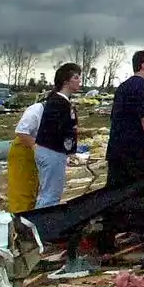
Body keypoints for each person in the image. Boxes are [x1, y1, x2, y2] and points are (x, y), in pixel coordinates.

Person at [105, 50, 144, 188]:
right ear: (143, 65)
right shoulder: (143, 87)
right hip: (137, 151)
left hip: (117, 148)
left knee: (116, 192)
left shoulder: (123, 86)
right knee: (143, 190)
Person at [33, 62, 82, 208]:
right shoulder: (58, 102)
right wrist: (72, 132)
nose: (79, 81)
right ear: (65, 81)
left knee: (48, 193)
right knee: (50, 196)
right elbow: (57, 129)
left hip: (51, 150)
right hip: (52, 151)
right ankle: (42, 226)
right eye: (75, 77)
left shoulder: (60, 101)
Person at [6, 98, 45, 213]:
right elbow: (21, 132)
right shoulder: (37, 109)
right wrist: (37, 148)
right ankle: (19, 217)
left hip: (37, 149)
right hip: (24, 149)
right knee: (21, 190)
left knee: (33, 187)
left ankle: (30, 217)